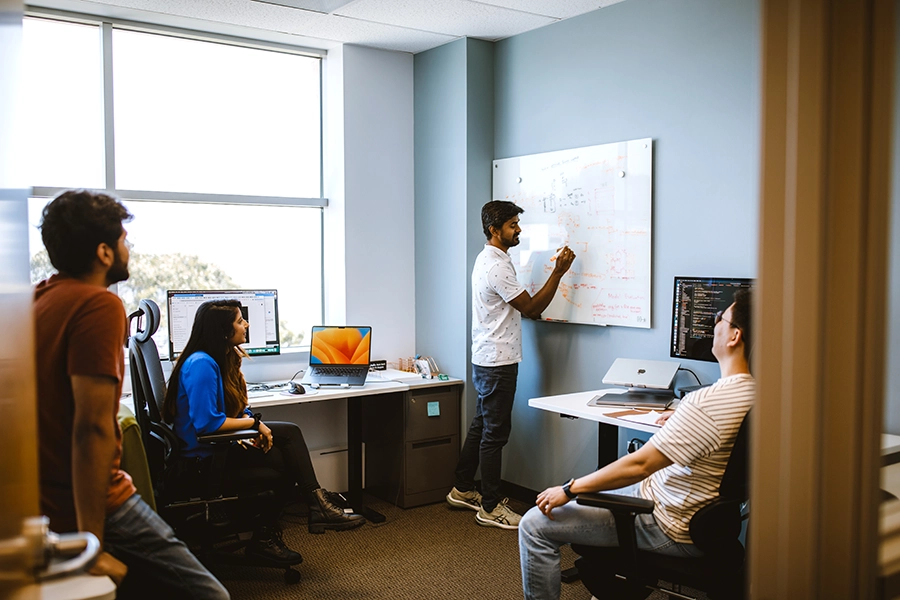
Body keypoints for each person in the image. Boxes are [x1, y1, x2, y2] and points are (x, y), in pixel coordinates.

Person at [33, 189, 229, 599]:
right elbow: (91, 429)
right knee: (211, 595)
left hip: (41, 498)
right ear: (104, 252)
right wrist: (92, 544)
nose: (129, 246)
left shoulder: (37, 300)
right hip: (97, 501)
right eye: (124, 239)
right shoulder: (98, 306)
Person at [518, 288, 755, 600]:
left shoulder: (706, 402)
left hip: (668, 522)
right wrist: (683, 420)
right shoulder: (752, 394)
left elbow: (640, 464)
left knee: (534, 524)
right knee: (598, 486)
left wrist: (568, 489)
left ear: (735, 335)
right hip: (698, 516)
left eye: (720, 318)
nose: (714, 323)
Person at [161, 300, 365, 563]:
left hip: (214, 451)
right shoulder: (202, 364)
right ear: (222, 330)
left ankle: (309, 510)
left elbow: (234, 407)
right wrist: (255, 425)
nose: (246, 324)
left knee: (288, 439)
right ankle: (291, 522)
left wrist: (250, 421)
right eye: (239, 320)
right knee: (284, 463)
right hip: (201, 462)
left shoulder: (219, 357)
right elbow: (208, 424)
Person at [446, 200, 576, 530]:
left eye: (518, 223)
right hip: (498, 361)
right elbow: (531, 308)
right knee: (495, 433)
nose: (518, 229)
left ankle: (462, 488)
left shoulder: (490, 258)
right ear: (494, 230)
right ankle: (490, 507)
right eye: (512, 225)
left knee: (482, 424)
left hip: (487, 357)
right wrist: (558, 272)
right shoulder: (496, 266)